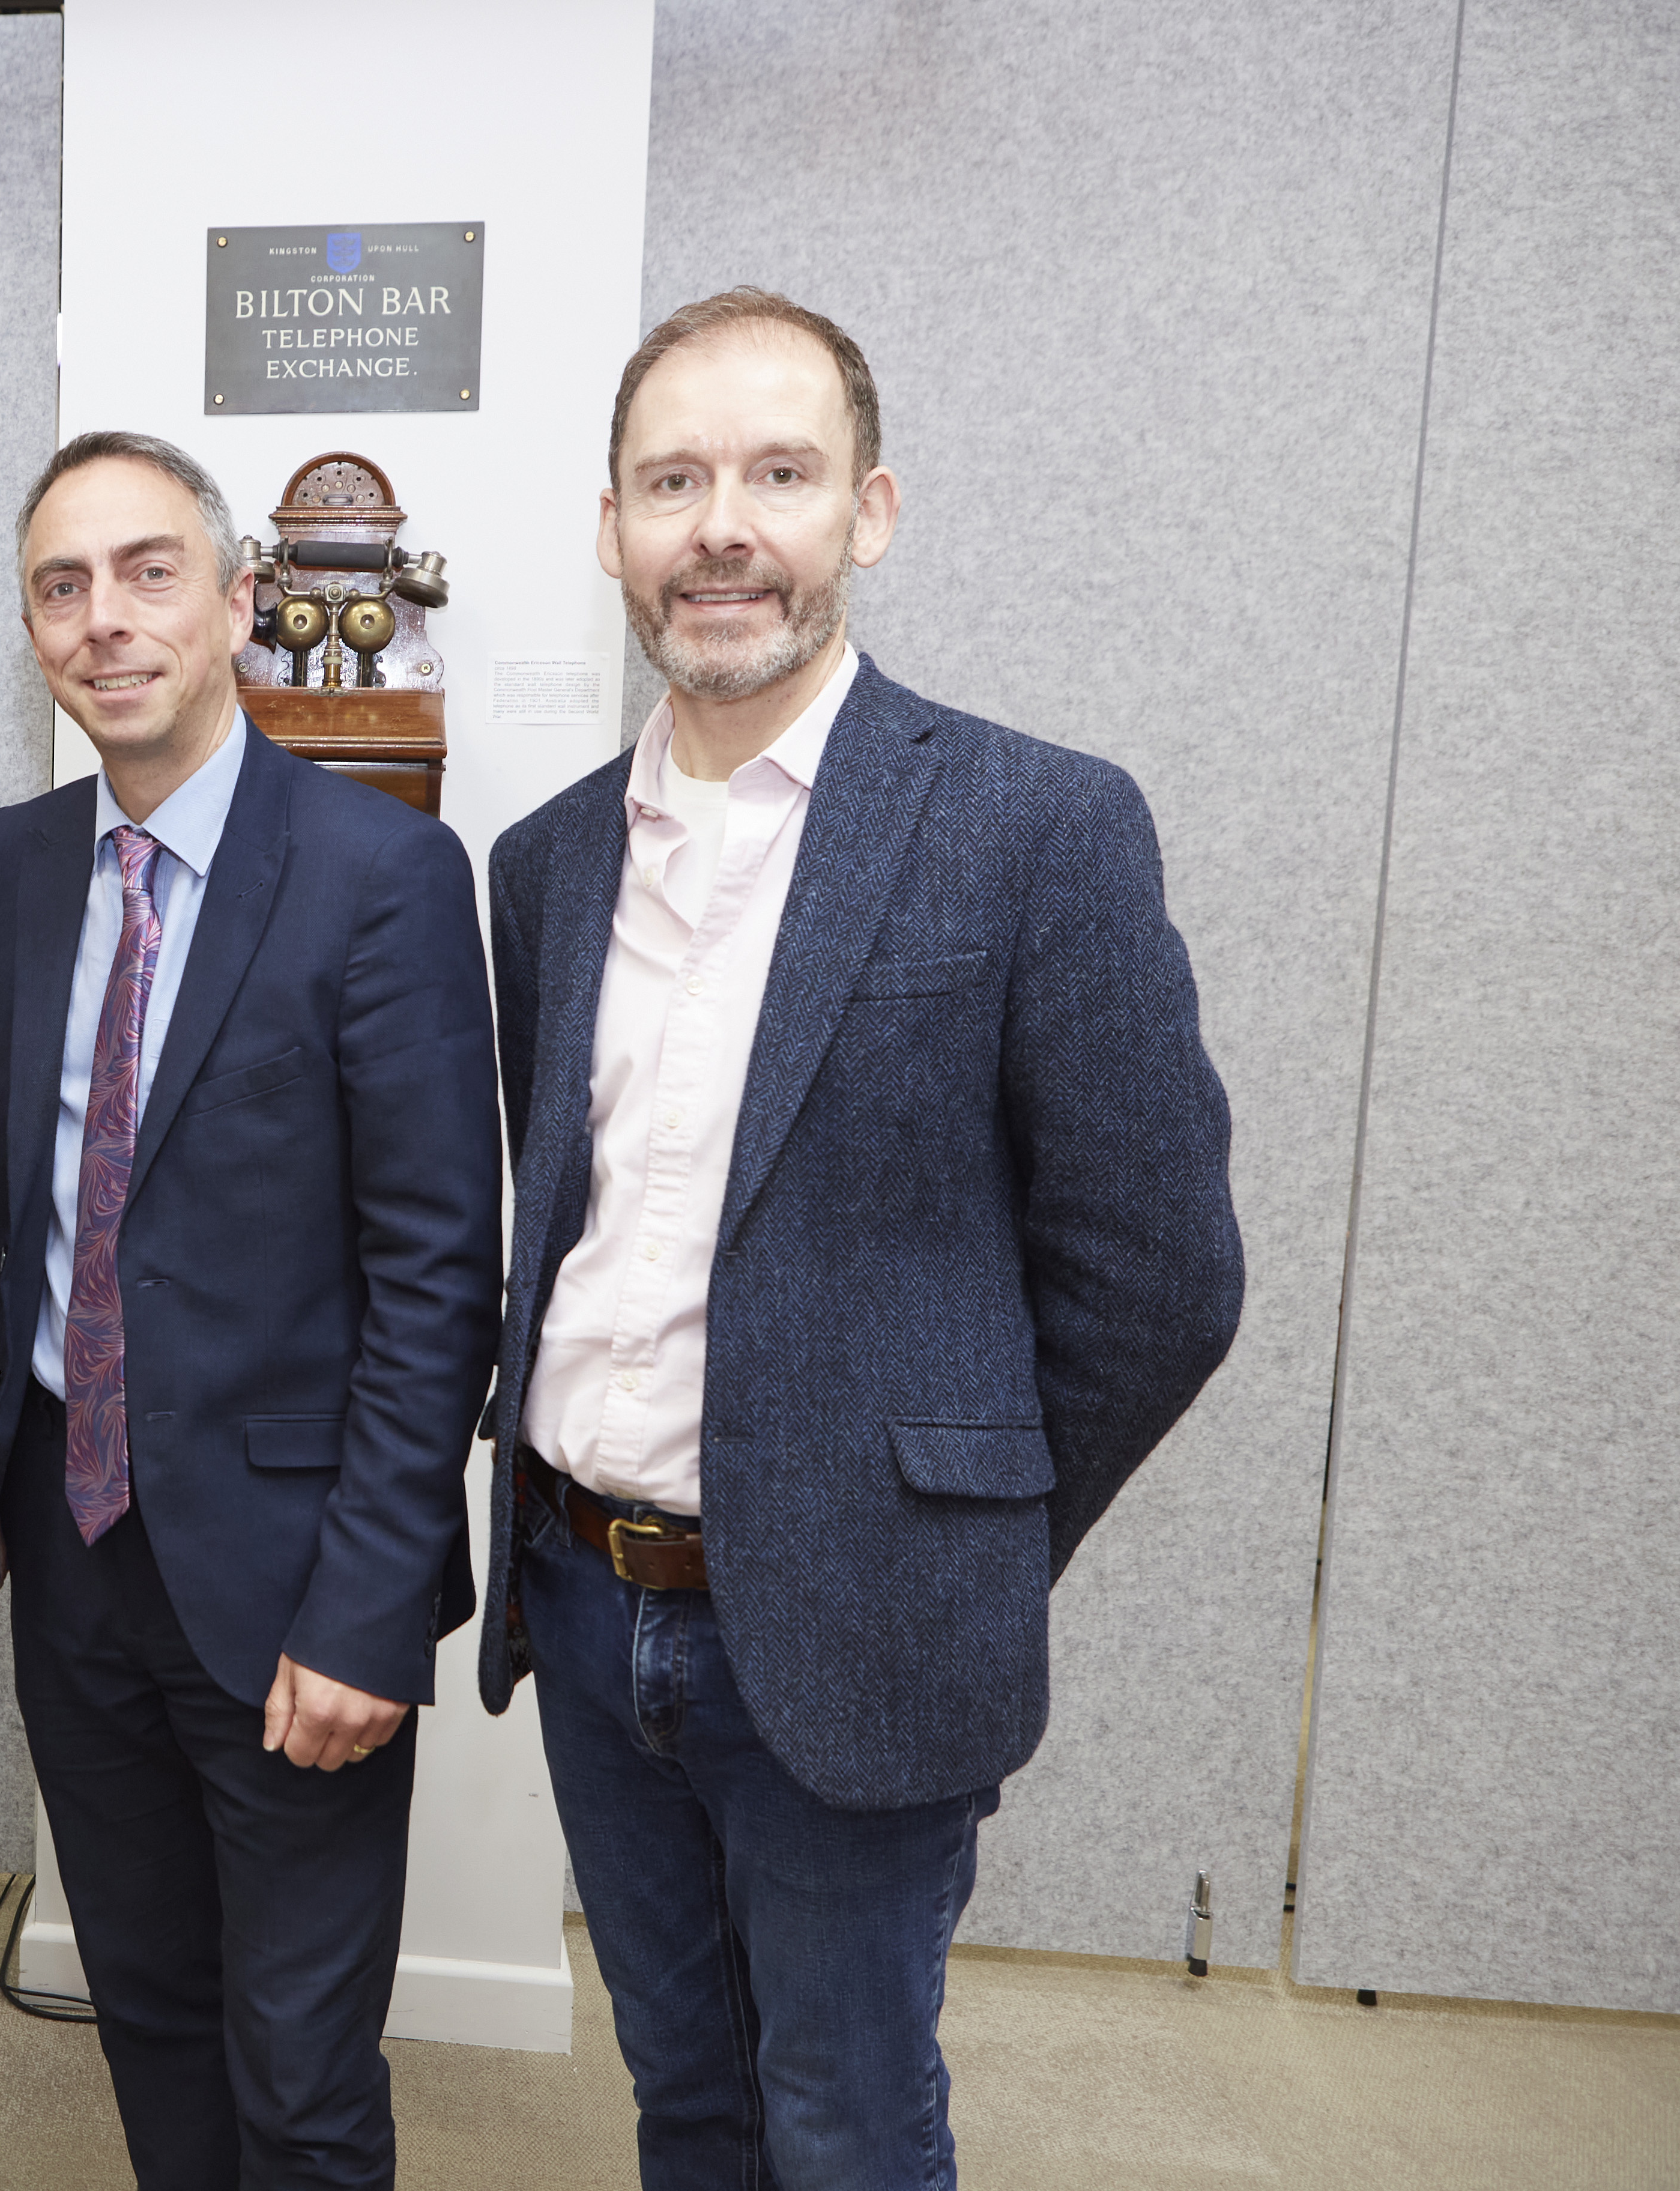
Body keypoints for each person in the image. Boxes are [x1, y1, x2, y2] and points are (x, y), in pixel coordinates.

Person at [479, 287, 1245, 2188]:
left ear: (868, 513)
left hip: (847, 1631)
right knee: (687, 2106)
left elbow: (1157, 1279)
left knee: (848, 2122)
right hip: (586, 1606)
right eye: (674, 479)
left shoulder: (1033, 825)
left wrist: (950, 1537)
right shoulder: (547, 863)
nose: (720, 524)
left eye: (778, 472)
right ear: (611, 532)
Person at [0, 431, 505, 2188]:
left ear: (240, 600)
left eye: (150, 571)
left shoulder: (382, 874)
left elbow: (434, 1279)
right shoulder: (16, 862)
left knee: (303, 2073)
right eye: (62, 585)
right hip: (70, 1544)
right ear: (32, 630)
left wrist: (371, 1608)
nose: (108, 620)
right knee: (150, 2012)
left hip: (290, 1576)